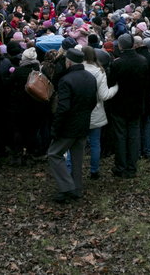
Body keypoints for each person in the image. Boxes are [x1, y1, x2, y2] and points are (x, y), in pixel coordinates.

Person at [47, 47, 97, 203]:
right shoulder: (90, 77)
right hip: (83, 123)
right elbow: (93, 101)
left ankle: (67, 186)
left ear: (68, 62)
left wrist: (56, 128)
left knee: (53, 154)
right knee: (77, 158)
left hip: (68, 126)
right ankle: (77, 188)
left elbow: (63, 108)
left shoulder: (66, 80)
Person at [107, 34, 149, 178]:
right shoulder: (142, 61)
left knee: (120, 135)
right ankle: (132, 167)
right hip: (136, 103)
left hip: (120, 103)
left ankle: (121, 166)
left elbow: (111, 82)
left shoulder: (118, 63)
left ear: (120, 46)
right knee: (133, 135)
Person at [82, 46, 118, 179]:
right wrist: (115, 87)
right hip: (95, 111)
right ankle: (94, 171)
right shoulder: (99, 72)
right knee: (95, 142)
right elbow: (104, 95)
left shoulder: (76, 69)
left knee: (76, 143)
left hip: (79, 112)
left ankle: (72, 171)